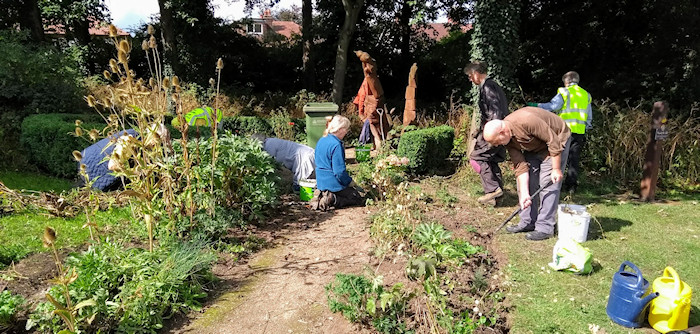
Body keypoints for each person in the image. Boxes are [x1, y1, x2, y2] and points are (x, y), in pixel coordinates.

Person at [483, 107, 572, 241]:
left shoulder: (526, 121)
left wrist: (556, 169)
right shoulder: (507, 139)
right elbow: (520, 166)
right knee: (527, 183)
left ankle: (545, 227)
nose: (497, 145)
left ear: (502, 132)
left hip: (557, 139)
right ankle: (527, 222)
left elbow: (553, 141)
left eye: (496, 142)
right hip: (535, 146)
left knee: (547, 184)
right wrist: (524, 193)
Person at [533, 71, 592, 193]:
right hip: (579, 132)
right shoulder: (586, 94)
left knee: (558, 157)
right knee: (573, 159)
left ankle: (554, 185)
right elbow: (589, 116)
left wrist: (536, 105)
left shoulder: (564, 92)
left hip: (564, 131)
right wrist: (585, 128)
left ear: (566, 81)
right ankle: (571, 186)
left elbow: (553, 107)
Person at [464, 61, 510, 206]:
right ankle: (498, 195)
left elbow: (495, 112)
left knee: (476, 158)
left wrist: (491, 134)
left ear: (477, 73)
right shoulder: (493, 85)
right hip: (501, 129)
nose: (470, 79)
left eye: (470, 76)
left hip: (495, 130)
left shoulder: (488, 87)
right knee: (491, 160)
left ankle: (492, 189)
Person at [311, 115, 363, 211]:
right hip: (333, 183)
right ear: (340, 129)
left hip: (321, 181)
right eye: (346, 129)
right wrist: (349, 182)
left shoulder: (321, 140)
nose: (346, 132)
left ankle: (323, 194)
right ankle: (333, 199)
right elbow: (339, 172)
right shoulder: (336, 145)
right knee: (357, 198)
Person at [353, 50, 391, 150]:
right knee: (375, 125)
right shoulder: (369, 76)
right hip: (374, 101)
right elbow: (362, 98)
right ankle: (378, 144)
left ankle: (379, 144)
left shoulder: (370, 76)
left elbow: (362, 98)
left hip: (375, 101)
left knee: (375, 124)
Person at [251, 134, 315, 191]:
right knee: (303, 182)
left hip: (304, 156)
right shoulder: (270, 142)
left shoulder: (269, 144)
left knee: (301, 184)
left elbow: (269, 162)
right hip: (305, 154)